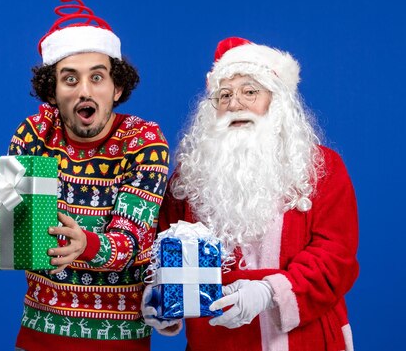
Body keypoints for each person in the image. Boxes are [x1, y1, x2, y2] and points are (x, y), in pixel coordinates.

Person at [0, 0, 169, 351]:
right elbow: (2, 220)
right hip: (40, 333)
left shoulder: (144, 141)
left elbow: (133, 239)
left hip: (118, 339)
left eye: (97, 77)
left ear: (118, 87)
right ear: (51, 91)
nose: (84, 91)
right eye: (69, 79)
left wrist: (87, 244)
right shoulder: (33, 133)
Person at [142, 37, 358, 351]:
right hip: (216, 340)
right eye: (224, 95)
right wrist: (161, 296)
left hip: (300, 340)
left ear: (277, 101)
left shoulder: (321, 168)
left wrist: (269, 292)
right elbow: (164, 248)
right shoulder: (190, 177)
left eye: (249, 92)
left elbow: (335, 256)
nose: (234, 104)